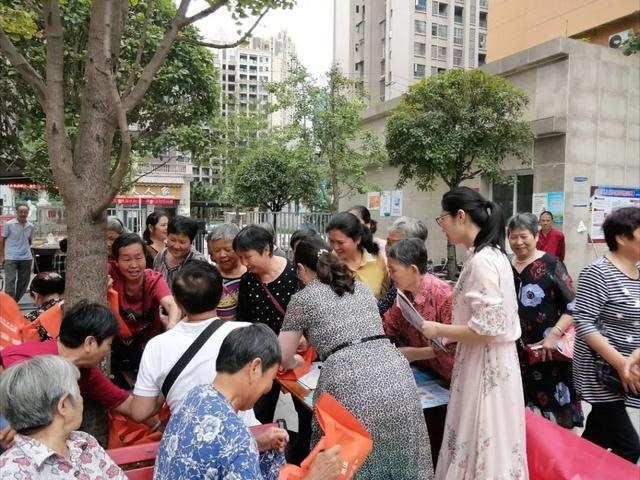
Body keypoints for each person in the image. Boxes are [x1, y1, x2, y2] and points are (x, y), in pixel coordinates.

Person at [278, 236, 433, 479]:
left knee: (353, 457)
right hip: (394, 371)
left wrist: (294, 362)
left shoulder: (303, 298)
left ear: (300, 268)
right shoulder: (358, 286)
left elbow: (282, 356)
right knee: (402, 452)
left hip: (348, 379)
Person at [422, 187, 527, 479]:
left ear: (460, 215)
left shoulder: (482, 260)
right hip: (490, 360)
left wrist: (438, 328)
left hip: (485, 363)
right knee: (488, 439)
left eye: (442, 218)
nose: (441, 225)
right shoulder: (489, 255)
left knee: (481, 436)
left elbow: (487, 329)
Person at [154, 324, 341, 480]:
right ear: (255, 368)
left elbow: (212, 453)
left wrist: (255, 444)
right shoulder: (237, 439)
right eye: (271, 378)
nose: (269, 388)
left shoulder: (195, 396)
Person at [0, 302, 155, 437]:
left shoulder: (86, 373)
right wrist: (16, 421)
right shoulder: (23, 360)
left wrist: (165, 383)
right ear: (90, 343)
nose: (109, 352)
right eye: (108, 345)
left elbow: (132, 407)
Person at [572, 206, 640, 463]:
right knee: (629, 447)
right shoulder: (598, 272)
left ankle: (571, 470)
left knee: (596, 438)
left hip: (628, 370)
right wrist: (621, 363)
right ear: (622, 237)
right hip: (603, 373)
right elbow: (584, 322)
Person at [508, 213, 583, 428]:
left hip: (550, 354)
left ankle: (565, 460)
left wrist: (554, 334)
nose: (519, 242)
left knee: (558, 417)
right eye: (513, 237)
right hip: (517, 355)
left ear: (535, 235)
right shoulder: (505, 266)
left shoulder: (551, 264)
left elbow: (573, 306)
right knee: (524, 418)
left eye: (524, 236)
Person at [0, 355, 127, 479]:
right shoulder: (11, 472)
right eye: (79, 393)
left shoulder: (85, 443)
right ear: (63, 405)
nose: (81, 400)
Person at [234, 224, 299, 423]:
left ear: (267, 250)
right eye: (241, 258)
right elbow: (244, 319)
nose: (245, 264)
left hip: (296, 355)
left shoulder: (294, 273)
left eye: (248, 257)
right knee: (261, 412)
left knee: (304, 410)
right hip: (263, 357)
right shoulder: (248, 280)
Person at [109, 233, 181, 388]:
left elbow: (171, 304)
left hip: (147, 348)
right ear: (116, 262)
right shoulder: (109, 276)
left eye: (138, 258)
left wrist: (173, 323)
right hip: (113, 347)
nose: (134, 265)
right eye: (127, 259)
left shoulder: (153, 279)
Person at [383, 238, 455, 381]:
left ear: (413, 270)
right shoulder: (404, 295)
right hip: (428, 373)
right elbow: (388, 326)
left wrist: (415, 353)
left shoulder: (445, 295)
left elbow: (454, 346)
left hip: (451, 377)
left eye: (393, 270)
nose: (390, 276)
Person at [326, 212, 389, 299]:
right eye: (331, 241)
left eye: (340, 242)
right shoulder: (329, 264)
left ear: (357, 239)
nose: (335, 247)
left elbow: (385, 293)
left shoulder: (376, 259)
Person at [378, 216, 430, 316]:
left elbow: (382, 309)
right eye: (387, 242)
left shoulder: (419, 279)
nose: (388, 248)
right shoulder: (397, 270)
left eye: (393, 244)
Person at [153, 216, 207, 288]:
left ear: (191, 242)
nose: (176, 246)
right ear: (167, 236)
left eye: (182, 242)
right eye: (172, 240)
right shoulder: (160, 256)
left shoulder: (198, 261)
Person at [207, 223, 246, 321]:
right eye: (216, 250)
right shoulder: (209, 277)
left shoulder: (251, 275)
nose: (222, 255)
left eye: (228, 250)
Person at [0, 203, 34, 301]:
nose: (23, 214)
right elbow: (2, 239)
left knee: (23, 283)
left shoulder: (30, 226)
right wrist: (2, 255)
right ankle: (8, 304)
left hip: (26, 258)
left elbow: (30, 240)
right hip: (11, 257)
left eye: (25, 212)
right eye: (21, 212)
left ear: (28, 213)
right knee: (10, 281)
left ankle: (15, 303)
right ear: (17, 212)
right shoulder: (9, 224)